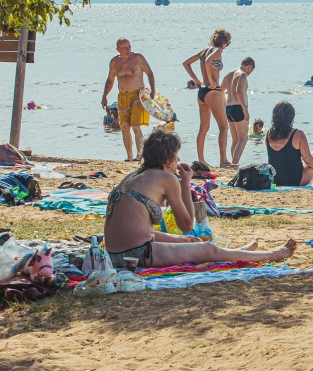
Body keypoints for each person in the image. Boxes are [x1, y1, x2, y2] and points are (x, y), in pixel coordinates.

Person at [103, 129, 297, 269]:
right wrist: (185, 183)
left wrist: (181, 239)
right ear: (167, 159)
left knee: (188, 240)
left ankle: (239, 252)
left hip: (113, 254)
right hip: (136, 255)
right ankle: (273, 254)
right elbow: (187, 224)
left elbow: (141, 231)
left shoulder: (132, 177)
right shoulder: (166, 178)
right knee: (208, 249)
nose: (178, 161)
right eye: (176, 155)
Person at [182, 28, 232, 168]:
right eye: (228, 43)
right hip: (212, 91)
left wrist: (197, 80)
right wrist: (211, 81)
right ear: (223, 42)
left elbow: (186, 63)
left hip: (202, 92)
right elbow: (209, 61)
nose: (227, 46)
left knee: (204, 127)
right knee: (224, 127)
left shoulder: (204, 50)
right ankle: (223, 160)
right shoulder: (217, 50)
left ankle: (201, 160)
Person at [101, 38, 156, 161]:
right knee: (124, 127)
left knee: (136, 126)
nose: (128, 49)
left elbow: (150, 73)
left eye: (129, 46)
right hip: (123, 97)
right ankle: (129, 157)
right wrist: (104, 96)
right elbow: (110, 80)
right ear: (118, 49)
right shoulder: (114, 62)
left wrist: (153, 90)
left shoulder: (138, 58)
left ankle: (139, 155)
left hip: (138, 96)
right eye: (125, 48)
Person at [221, 57, 255, 167]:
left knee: (235, 140)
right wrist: (245, 110)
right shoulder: (242, 74)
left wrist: (224, 103)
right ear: (249, 67)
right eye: (251, 71)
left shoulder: (228, 74)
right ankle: (235, 164)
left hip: (229, 107)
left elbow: (221, 90)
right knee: (243, 139)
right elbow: (239, 91)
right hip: (239, 107)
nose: (249, 74)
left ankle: (233, 163)